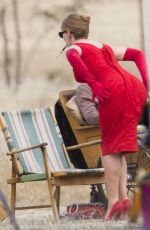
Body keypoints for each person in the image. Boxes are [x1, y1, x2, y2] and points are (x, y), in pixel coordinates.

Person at [58, 13, 148, 220]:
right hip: (133, 88)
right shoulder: (102, 46)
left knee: (109, 148)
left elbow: (72, 55)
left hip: (113, 91)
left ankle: (113, 202)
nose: (63, 38)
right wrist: (146, 83)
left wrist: (94, 84)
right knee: (120, 147)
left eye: (62, 34)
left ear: (69, 33)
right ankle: (124, 198)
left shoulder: (75, 46)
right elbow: (137, 54)